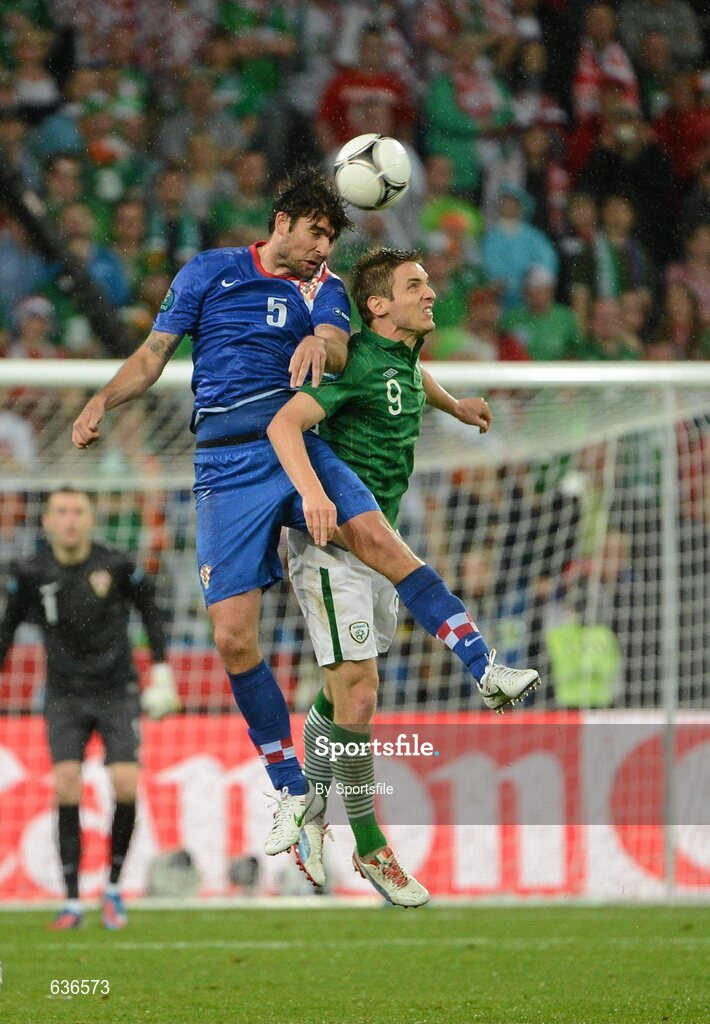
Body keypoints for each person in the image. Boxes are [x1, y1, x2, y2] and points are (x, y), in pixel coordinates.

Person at [72, 169, 538, 863]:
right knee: (232, 638)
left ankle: (483, 663)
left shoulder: (325, 289)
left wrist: (324, 342)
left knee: (379, 538)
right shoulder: (209, 272)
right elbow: (150, 357)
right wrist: (100, 403)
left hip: (298, 445)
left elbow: (347, 347)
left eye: (331, 236)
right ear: (282, 220)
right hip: (226, 467)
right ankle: (291, 786)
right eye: (316, 231)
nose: (323, 245)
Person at [266, 247, 540, 905]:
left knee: (340, 694)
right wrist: (311, 493)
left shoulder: (404, 359)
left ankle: (307, 804)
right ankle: (370, 847)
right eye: (415, 285)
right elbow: (289, 421)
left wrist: (455, 405)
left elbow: (413, 380)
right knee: (360, 691)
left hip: (376, 549)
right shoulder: (354, 358)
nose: (431, 294)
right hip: (331, 545)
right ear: (378, 305)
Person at [0, 486, 178, 930]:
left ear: (90, 518)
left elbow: (151, 611)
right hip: (63, 694)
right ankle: (73, 900)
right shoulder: (30, 570)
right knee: (65, 785)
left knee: (124, 783)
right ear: (46, 522)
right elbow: (6, 630)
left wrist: (160, 670)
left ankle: (114, 889)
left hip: (116, 690)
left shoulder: (115, 564)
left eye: (78, 510)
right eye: (61, 511)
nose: (70, 519)